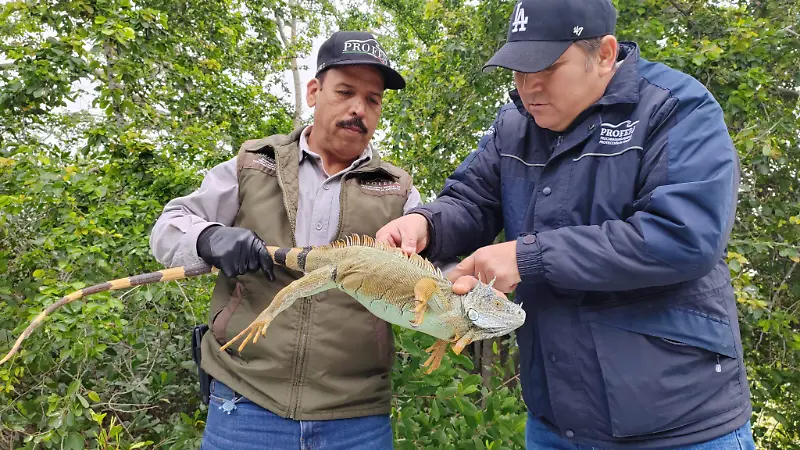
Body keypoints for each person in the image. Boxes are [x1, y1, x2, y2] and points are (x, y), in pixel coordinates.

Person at [376, 0, 755, 448]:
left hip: (680, 425)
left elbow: (684, 235)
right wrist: (425, 224)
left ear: (605, 54)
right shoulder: (515, 124)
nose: (528, 86)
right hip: (556, 425)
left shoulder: (675, 107)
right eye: (518, 68)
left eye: (548, 66)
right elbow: (472, 199)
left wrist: (526, 257)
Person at [150, 31, 416, 449]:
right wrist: (210, 238)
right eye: (345, 91)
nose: (358, 109)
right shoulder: (256, 163)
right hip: (245, 401)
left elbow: (436, 267)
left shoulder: (398, 189)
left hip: (356, 414)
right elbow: (170, 226)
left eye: (372, 99)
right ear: (314, 92)